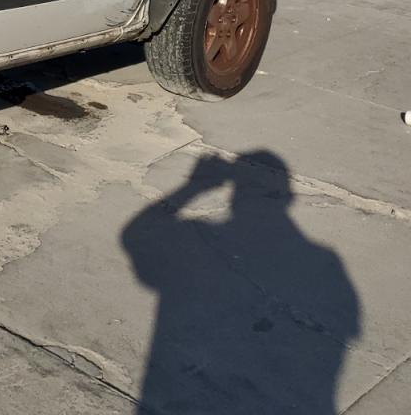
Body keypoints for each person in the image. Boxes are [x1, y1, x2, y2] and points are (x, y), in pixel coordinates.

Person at [122, 151, 360, 414]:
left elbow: (137, 237)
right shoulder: (327, 263)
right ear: (289, 198)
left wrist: (195, 185)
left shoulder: (197, 240)